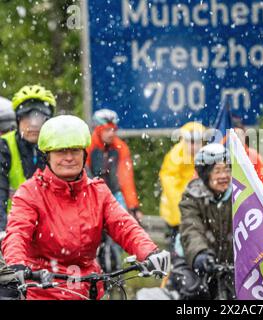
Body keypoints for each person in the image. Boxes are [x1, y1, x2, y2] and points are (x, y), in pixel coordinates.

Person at [1, 115, 169, 300]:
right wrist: (16, 265)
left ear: (84, 154)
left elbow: (125, 226)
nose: (69, 157)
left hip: (90, 290)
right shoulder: (30, 192)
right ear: (47, 156)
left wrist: (150, 252)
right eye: (61, 151)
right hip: (42, 289)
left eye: (75, 151)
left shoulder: (98, 192)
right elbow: (17, 233)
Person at [179, 143, 235, 299]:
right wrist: (201, 255)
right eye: (217, 171)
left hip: (229, 262)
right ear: (205, 174)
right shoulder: (192, 197)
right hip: (194, 259)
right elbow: (192, 229)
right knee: (194, 291)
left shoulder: (238, 194)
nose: (224, 176)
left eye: (227, 170)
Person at [0, 85, 55, 233]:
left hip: (54, 232)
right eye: (27, 117)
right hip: (14, 229)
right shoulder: (4, 146)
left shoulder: (60, 147)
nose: (33, 124)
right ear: (17, 120)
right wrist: (2, 231)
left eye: (39, 117)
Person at [86, 108, 143, 221]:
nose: (111, 133)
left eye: (113, 129)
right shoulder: (88, 146)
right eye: (107, 130)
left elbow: (126, 179)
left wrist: (133, 207)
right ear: (98, 130)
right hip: (91, 195)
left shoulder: (120, 147)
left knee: (122, 223)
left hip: (114, 194)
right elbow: (83, 174)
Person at [159, 122, 206, 251]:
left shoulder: (205, 155)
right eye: (190, 142)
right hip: (176, 213)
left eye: (197, 142)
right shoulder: (175, 156)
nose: (194, 146)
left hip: (196, 210)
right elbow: (171, 189)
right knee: (177, 251)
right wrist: (183, 215)